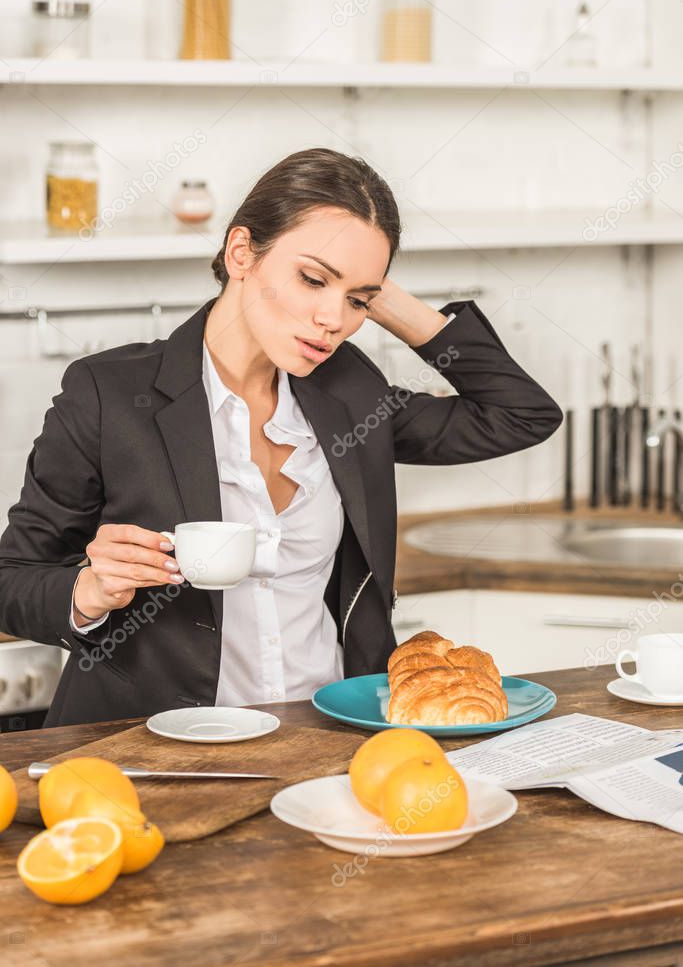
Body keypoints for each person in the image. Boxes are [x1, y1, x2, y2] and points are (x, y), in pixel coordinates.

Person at [0, 148, 563, 726]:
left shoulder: (350, 392)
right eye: (313, 278)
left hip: (331, 738)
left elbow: (521, 414)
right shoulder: (109, 394)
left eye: (356, 301)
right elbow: (11, 579)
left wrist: (384, 299)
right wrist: (89, 591)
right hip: (154, 748)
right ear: (242, 252)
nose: (333, 320)